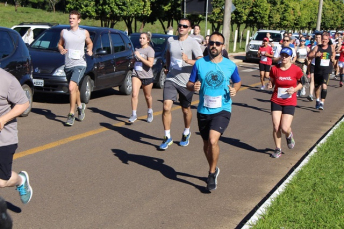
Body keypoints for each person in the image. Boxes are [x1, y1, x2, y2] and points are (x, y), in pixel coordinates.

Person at [187, 32, 241, 190]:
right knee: (206, 145)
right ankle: (214, 166)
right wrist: (193, 86)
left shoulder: (230, 65)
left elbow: (237, 82)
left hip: (222, 108)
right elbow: (189, 83)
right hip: (203, 109)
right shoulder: (199, 64)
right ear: (207, 44)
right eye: (212, 43)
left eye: (218, 44)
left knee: (213, 140)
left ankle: (211, 173)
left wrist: (234, 90)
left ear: (222, 46)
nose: (214, 46)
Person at [159, 18, 203, 150]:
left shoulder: (193, 43)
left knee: (185, 109)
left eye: (185, 26)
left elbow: (201, 61)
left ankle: (186, 132)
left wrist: (188, 60)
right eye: (180, 25)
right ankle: (167, 136)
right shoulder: (171, 40)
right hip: (171, 78)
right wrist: (167, 65)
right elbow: (168, 53)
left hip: (187, 81)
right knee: (166, 107)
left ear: (189, 29)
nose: (181, 27)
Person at [0, 68, 32, 204]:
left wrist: (3, 119)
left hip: (4, 138)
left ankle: (20, 180)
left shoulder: (7, 79)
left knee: (1, 182)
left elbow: (24, 103)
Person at [58, 10, 93, 126]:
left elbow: (90, 43)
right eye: (70, 18)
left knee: (71, 87)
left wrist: (90, 49)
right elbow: (60, 43)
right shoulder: (64, 32)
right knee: (75, 88)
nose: (71, 20)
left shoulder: (84, 33)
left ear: (79, 20)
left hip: (80, 64)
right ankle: (80, 106)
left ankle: (71, 114)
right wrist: (61, 49)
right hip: (68, 65)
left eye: (73, 18)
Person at [268, 47, 303, 158]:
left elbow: (302, 83)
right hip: (276, 100)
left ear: (290, 57)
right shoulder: (274, 69)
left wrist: (295, 89)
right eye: (282, 55)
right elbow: (272, 81)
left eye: (286, 56)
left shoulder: (296, 69)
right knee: (276, 126)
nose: (284, 57)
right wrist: (270, 84)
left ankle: (289, 135)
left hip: (290, 100)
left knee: (284, 128)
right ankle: (278, 149)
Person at [128, 32, 155, 123]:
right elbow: (135, 61)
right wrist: (133, 60)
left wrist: (140, 57)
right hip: (136, 73)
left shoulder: (150, 50)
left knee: (147, 96)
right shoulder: (137, 49)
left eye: (143, 38)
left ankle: (150, 111)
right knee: (134, 94)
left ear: (148, 40)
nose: (141, 40)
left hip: (147, 75)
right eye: (140, 38)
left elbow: (150, 64)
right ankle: (134, 114)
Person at [308, 32, 335, 110]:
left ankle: (322, 103)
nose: (324, 41)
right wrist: (315, 55)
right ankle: (317, 100)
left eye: (326, 40)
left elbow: (333, 53)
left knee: (324, 85)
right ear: (321, 39)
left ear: (328, 39)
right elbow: (309, 55)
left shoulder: (331, 47)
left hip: (327, 70)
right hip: (318, 70)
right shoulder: (317, 47)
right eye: (323, 40)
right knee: (317, 87)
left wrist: (333, 58)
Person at [307, 33, 322, 101]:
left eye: (319, 37)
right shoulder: (313, 47)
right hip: (313, 64)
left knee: (318, 82)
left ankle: (318, 96)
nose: (317, 39)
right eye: (316, 37)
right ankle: (310, 94)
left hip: (321, 66)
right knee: (312, 79)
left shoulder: (324, 47)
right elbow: (309, 56)